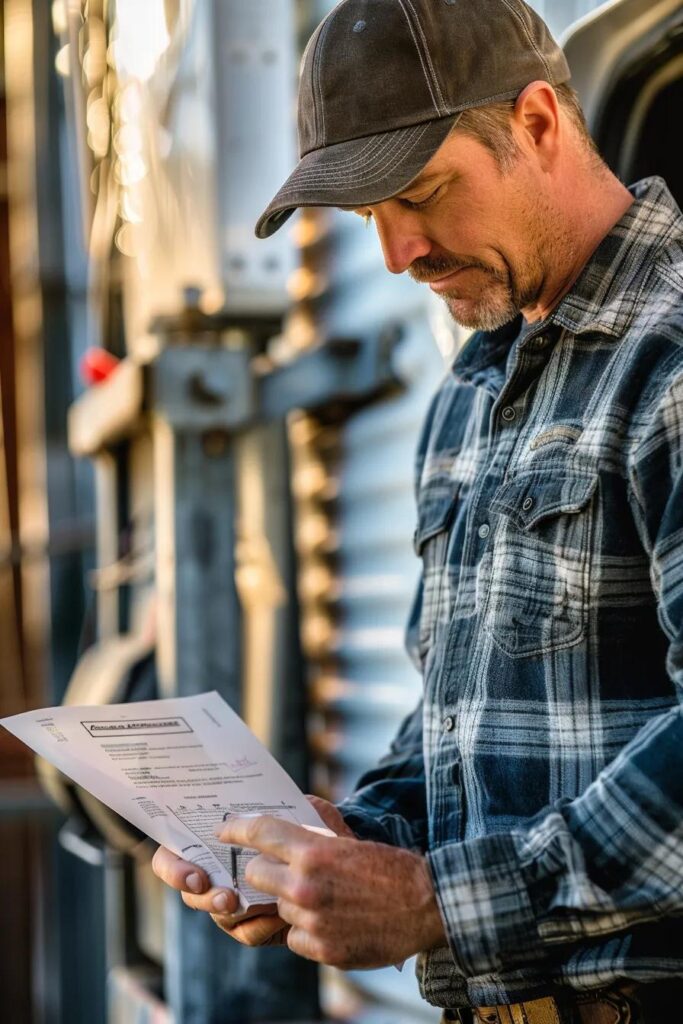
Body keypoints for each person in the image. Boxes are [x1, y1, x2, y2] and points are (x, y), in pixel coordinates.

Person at [152, 1, 683, 1021]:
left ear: (535, 122)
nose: (397, 254)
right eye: (365, 222)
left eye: (423, 193)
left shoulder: (667, 360)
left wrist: (436, 898)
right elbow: (463, 722)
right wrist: (346, 844)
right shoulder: (469, 393)